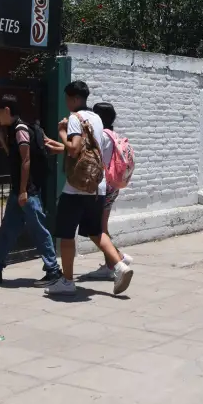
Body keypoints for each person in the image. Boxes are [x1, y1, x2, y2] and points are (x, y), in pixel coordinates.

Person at [43, 81, 134, 296]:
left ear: (75, 98)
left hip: (76, 187)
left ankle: (67, 282)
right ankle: (120, 265)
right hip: (97, 186)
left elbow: (74, 149)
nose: (66, 103)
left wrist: (62, 131)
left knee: (66, 234)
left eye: (67, 99)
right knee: (96, 231)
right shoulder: (97, 119)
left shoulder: (75, 118)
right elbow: (88, 149)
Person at [0, 95, 63, 287]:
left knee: (38, 230)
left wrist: (23, 191)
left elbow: (25, 160)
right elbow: (13, 158)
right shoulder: (12, 131)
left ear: (7, 111)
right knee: (8, 230)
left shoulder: (20, 130)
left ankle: (54, 271)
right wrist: (1, 139)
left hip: (27, 192)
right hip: (19, 191)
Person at [83, 101, 132, 280]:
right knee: (102, 228)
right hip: (113, 186)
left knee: (98, 230)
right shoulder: (114, 135)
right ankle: (114, 261)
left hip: (102, 188)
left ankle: (115, 261)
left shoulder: (101, 136)